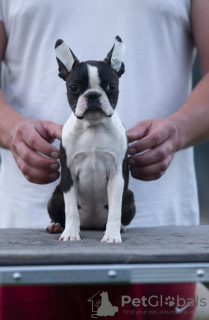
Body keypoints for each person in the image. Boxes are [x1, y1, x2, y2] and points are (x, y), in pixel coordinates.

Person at [0, 0, 209, 319]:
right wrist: (11, 129)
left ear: (118, 73)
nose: (93, 98)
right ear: (65, 76)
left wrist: (180, 129)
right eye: (78, 89)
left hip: (159, 241)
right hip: (22, 245)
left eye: (107, 89)